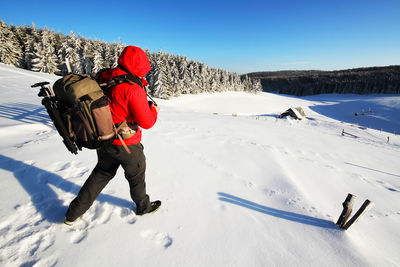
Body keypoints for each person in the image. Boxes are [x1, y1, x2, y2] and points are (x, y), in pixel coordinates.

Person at [64, 46, 161, 225]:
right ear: (140, 64)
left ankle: (72, 214)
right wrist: (153, 110)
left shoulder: (105, 76)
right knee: (136, 175)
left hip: (104, 138)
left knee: (101, 173)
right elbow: (147, 122)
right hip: (127, 143)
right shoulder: (132, 88)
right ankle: (143, 206)